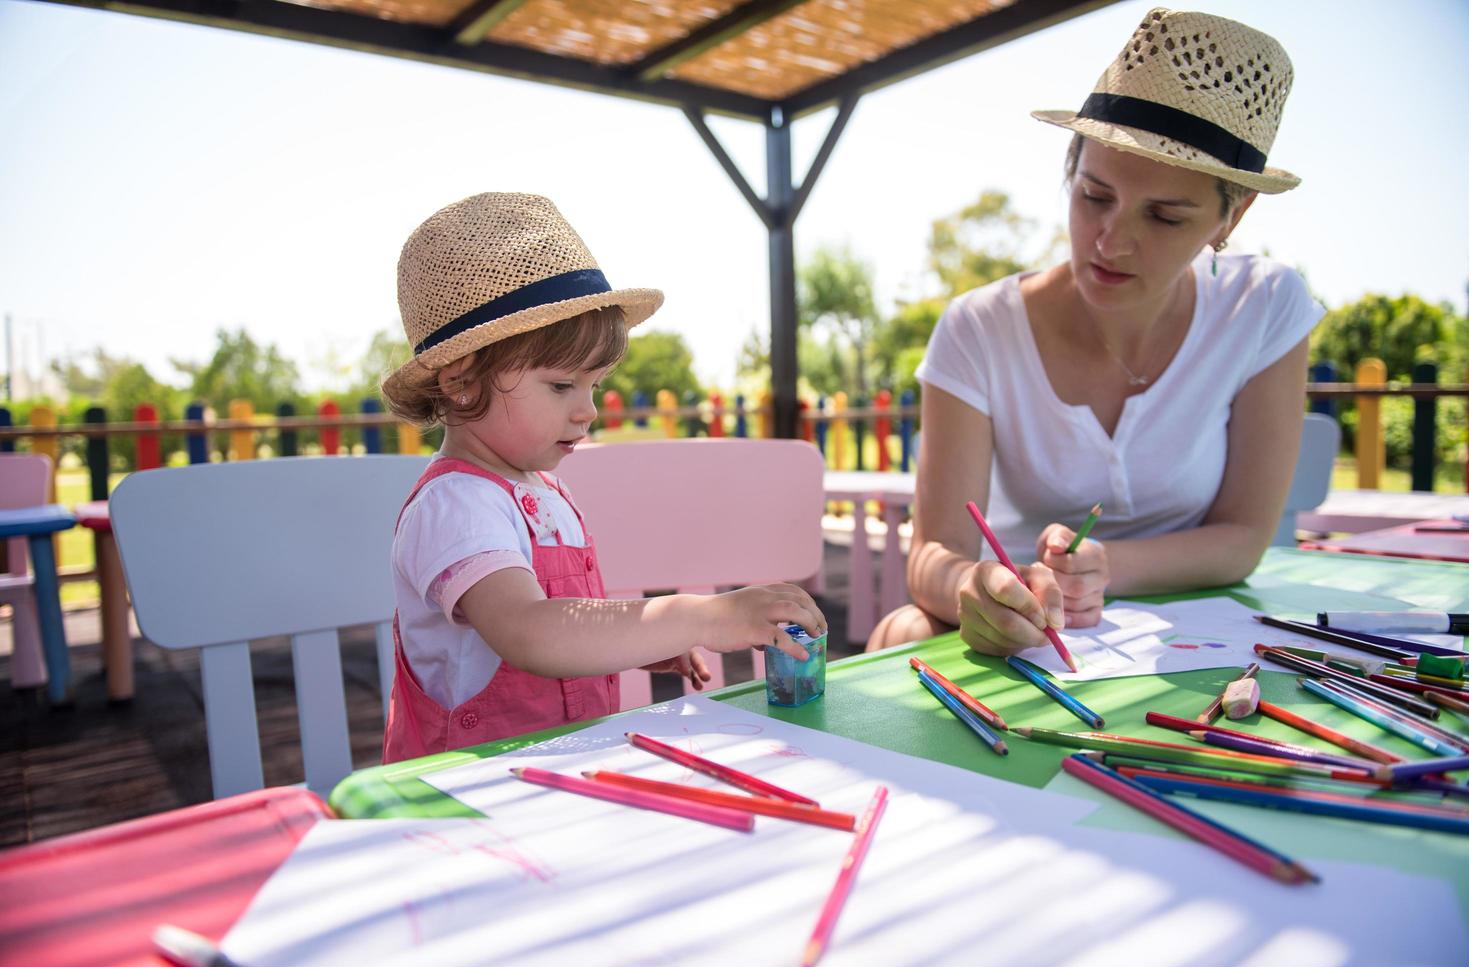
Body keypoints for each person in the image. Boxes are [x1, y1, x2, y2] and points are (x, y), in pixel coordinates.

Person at [868, 8, 1322, 658]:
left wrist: (1106, 570)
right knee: (904, 634)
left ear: (1232, 215)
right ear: (1069, 169)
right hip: (1023, 627)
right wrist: (976, 584)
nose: (1110, 241)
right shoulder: (978, 328)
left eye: (1164, 217)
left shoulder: (1264, 306)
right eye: (1093, 196)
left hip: (1195, 644)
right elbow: (932, 556)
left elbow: (1243, 538)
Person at [380, 192, 825, 763]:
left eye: (595, 386)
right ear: (461, 379)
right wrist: (700, 615)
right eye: (562, 386)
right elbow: (530, 630)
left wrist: (643, 643)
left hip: (559, 770)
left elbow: (568, 629)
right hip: (470, 792)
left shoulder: (541, 489)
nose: (587, 409)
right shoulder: (456, 504)